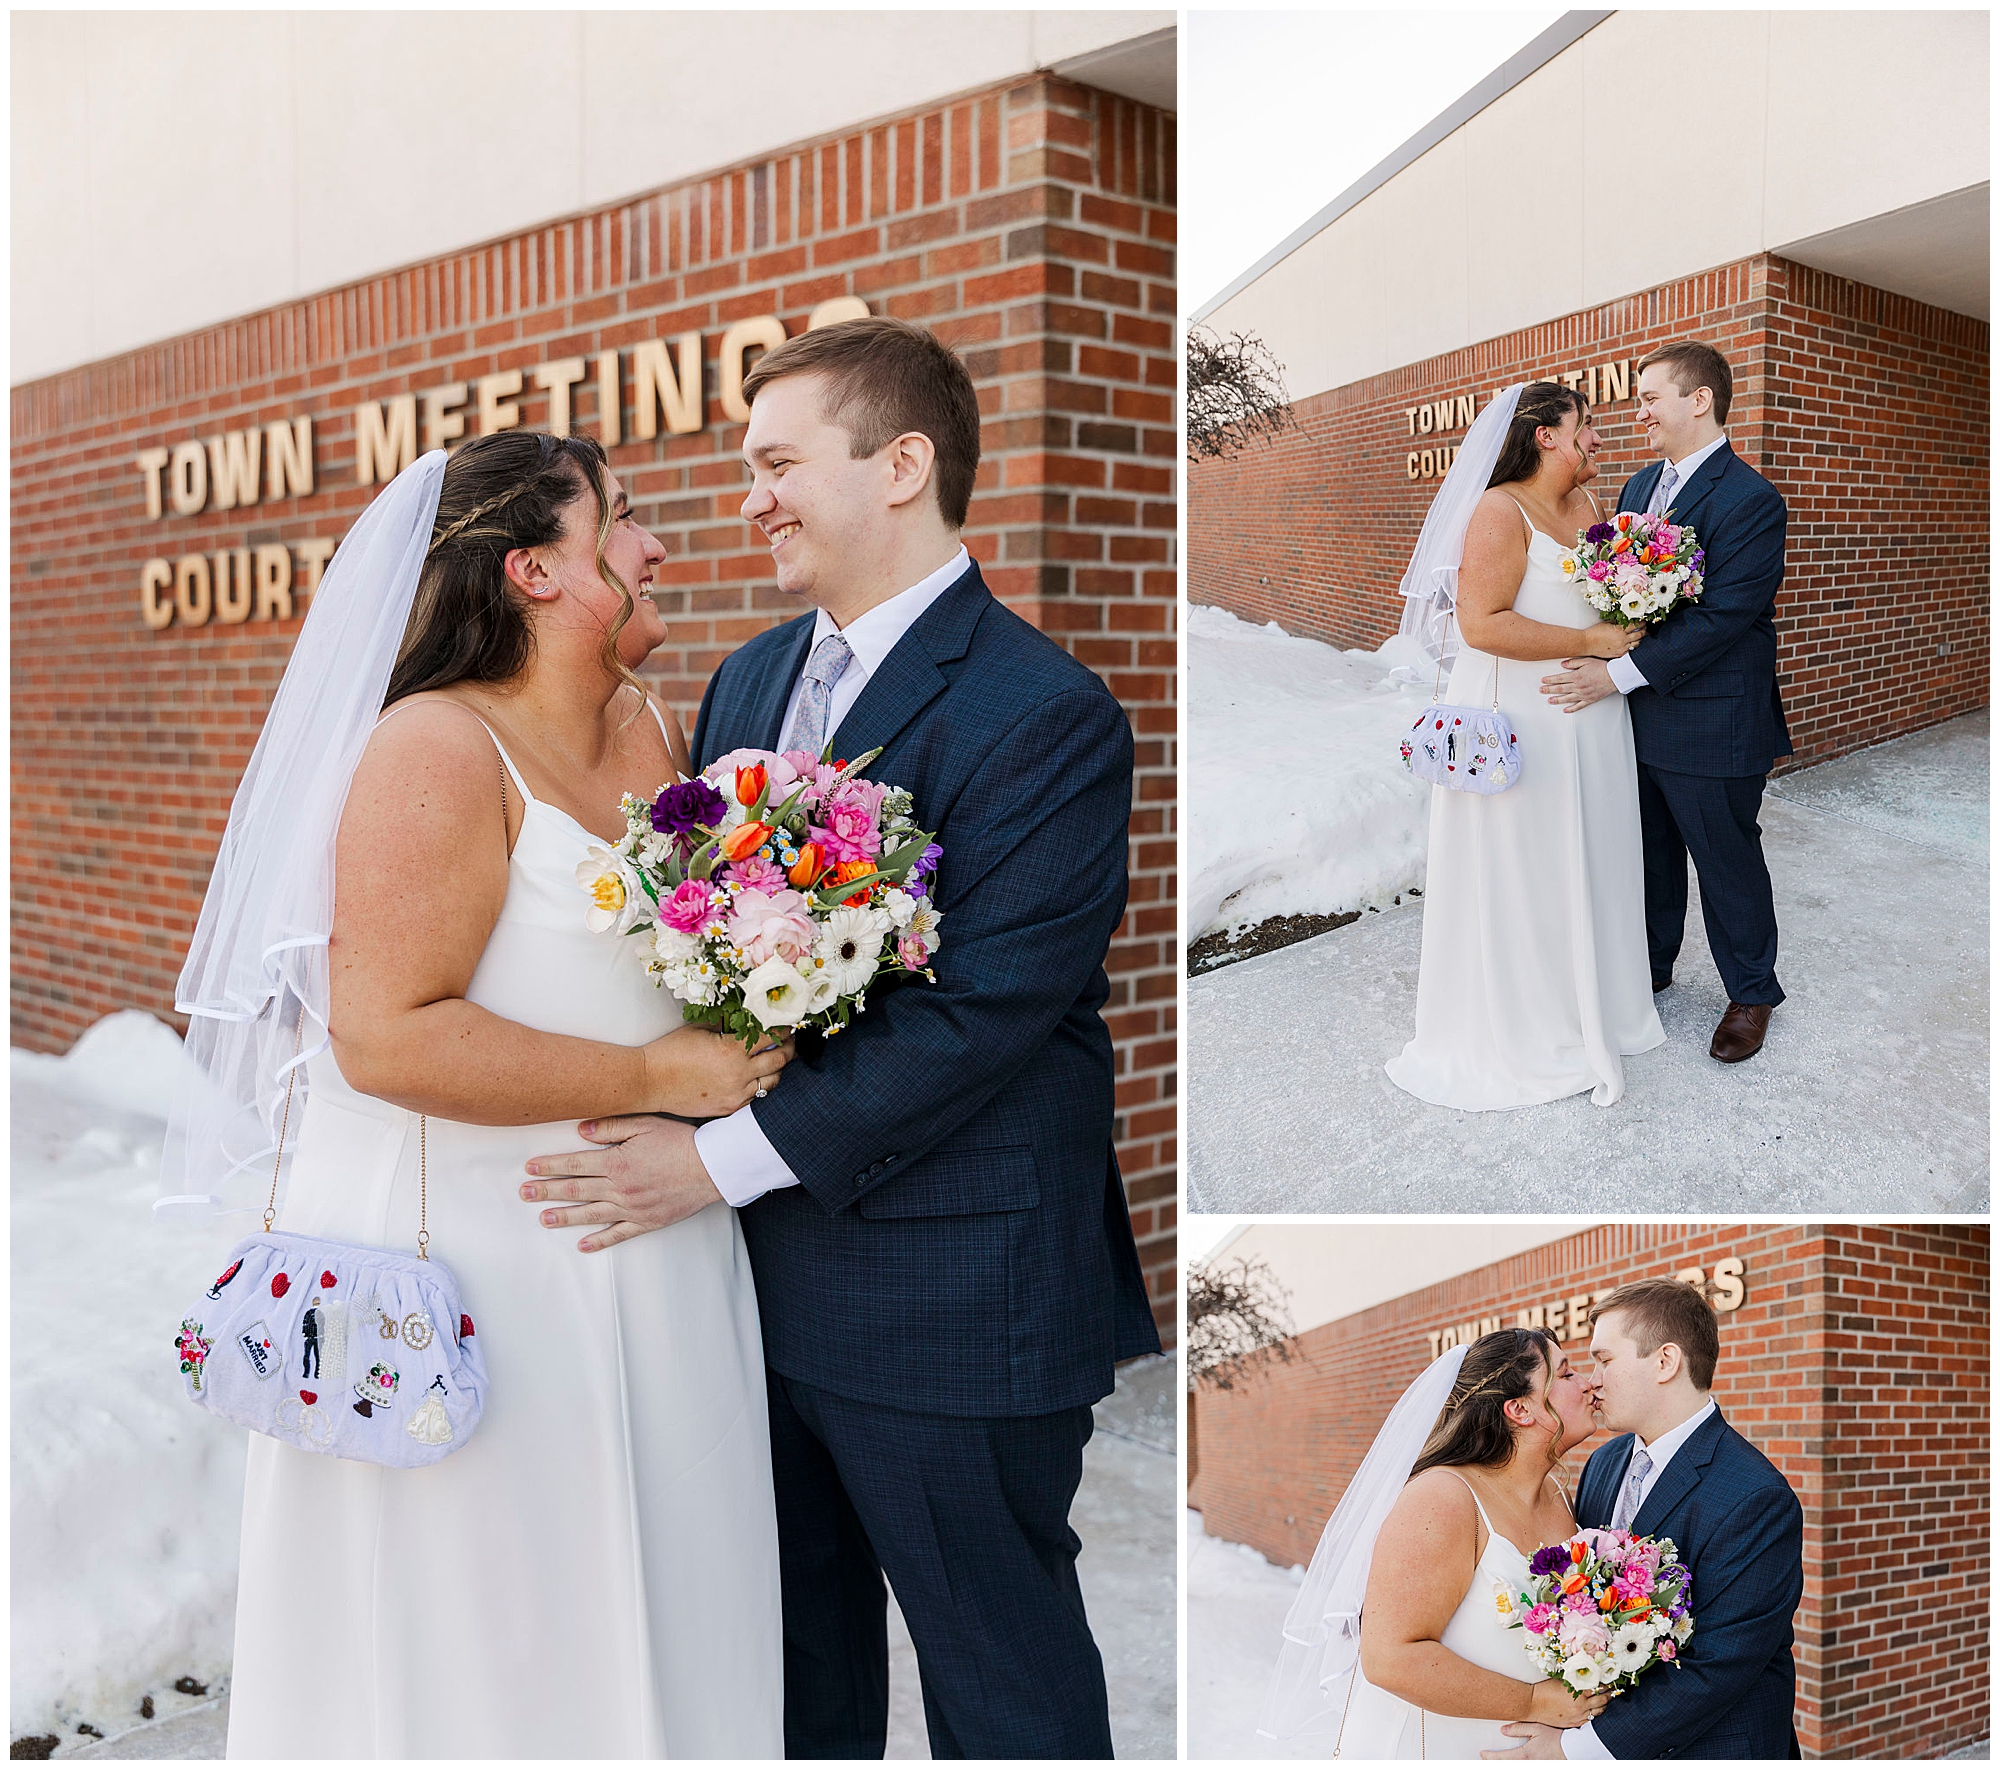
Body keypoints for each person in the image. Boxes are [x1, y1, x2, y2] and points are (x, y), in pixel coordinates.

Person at [519, 316, 1161, 1757]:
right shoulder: (744, 682)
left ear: (903, 466)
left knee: (1001, 1676)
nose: (749, 498)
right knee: (798, 1669)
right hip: (753, 1291)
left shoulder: (1046, 712)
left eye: (777, 462)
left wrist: (716, 1160)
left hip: (953, 1284)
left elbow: (987, 1011)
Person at [165, 431, 793, 1757]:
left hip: (663, 1258)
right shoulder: (435, 749)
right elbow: (383, 1035)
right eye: (618, 523)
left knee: (680, 1602)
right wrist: (656, 1073)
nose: (654, 545)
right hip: (484, 1281)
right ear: (533, 572)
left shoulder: (660, 728)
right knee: (502, 1642)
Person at [1387, 381, 1666, 1110]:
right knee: (1529, 865)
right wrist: (1589, 642)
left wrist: (1638, 608)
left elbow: (1603, 595)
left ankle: (1595, 1006)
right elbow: (1481, 624)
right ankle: (1530, 1021)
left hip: (1596, 717)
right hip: (1522, 716)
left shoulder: (1589, 507)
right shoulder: (1497, 509)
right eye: (1588, 427)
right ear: (1545, 434)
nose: (1598, 439)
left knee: (1598, 851)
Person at [1541, 342, 1792, 1063]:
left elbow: (1725, 618)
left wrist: (1613, 676)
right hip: (1638, 719)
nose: (1638, 409)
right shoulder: (1639, 486)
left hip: (1713, 716)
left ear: (1699, 400)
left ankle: (1751, 993)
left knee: (1725, 859)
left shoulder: (1751, 500)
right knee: (1647, 853)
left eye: (1650, 396)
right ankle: (1650, 967)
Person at [1484, 1277, 1804, 1759]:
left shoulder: (1756, 1497)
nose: (1592, 1379)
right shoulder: (1604, 1463)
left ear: (1665, 1362)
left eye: (1604, 1359)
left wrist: (1575, 1752)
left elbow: (1718, 1667)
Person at [1259, 1329, 1609, 1756]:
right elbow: (1390, 1659)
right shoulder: (1442, 1499)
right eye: (1568, 1374)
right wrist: (1534, 1701)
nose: (1588, 1383)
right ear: (1520, 1409)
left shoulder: (1556, 1494)